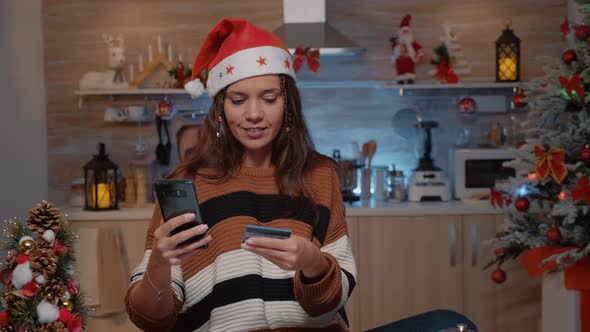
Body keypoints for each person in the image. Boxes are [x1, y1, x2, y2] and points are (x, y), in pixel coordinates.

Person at [125, 18, 357, 332]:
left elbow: (332, 299)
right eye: (238, 100)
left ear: (288, 105)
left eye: (269, 98)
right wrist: (160, 261)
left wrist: (313, 263)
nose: (253, 114)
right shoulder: (188, 183)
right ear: (220, 109)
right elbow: (151, 319)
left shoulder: (320, 174)